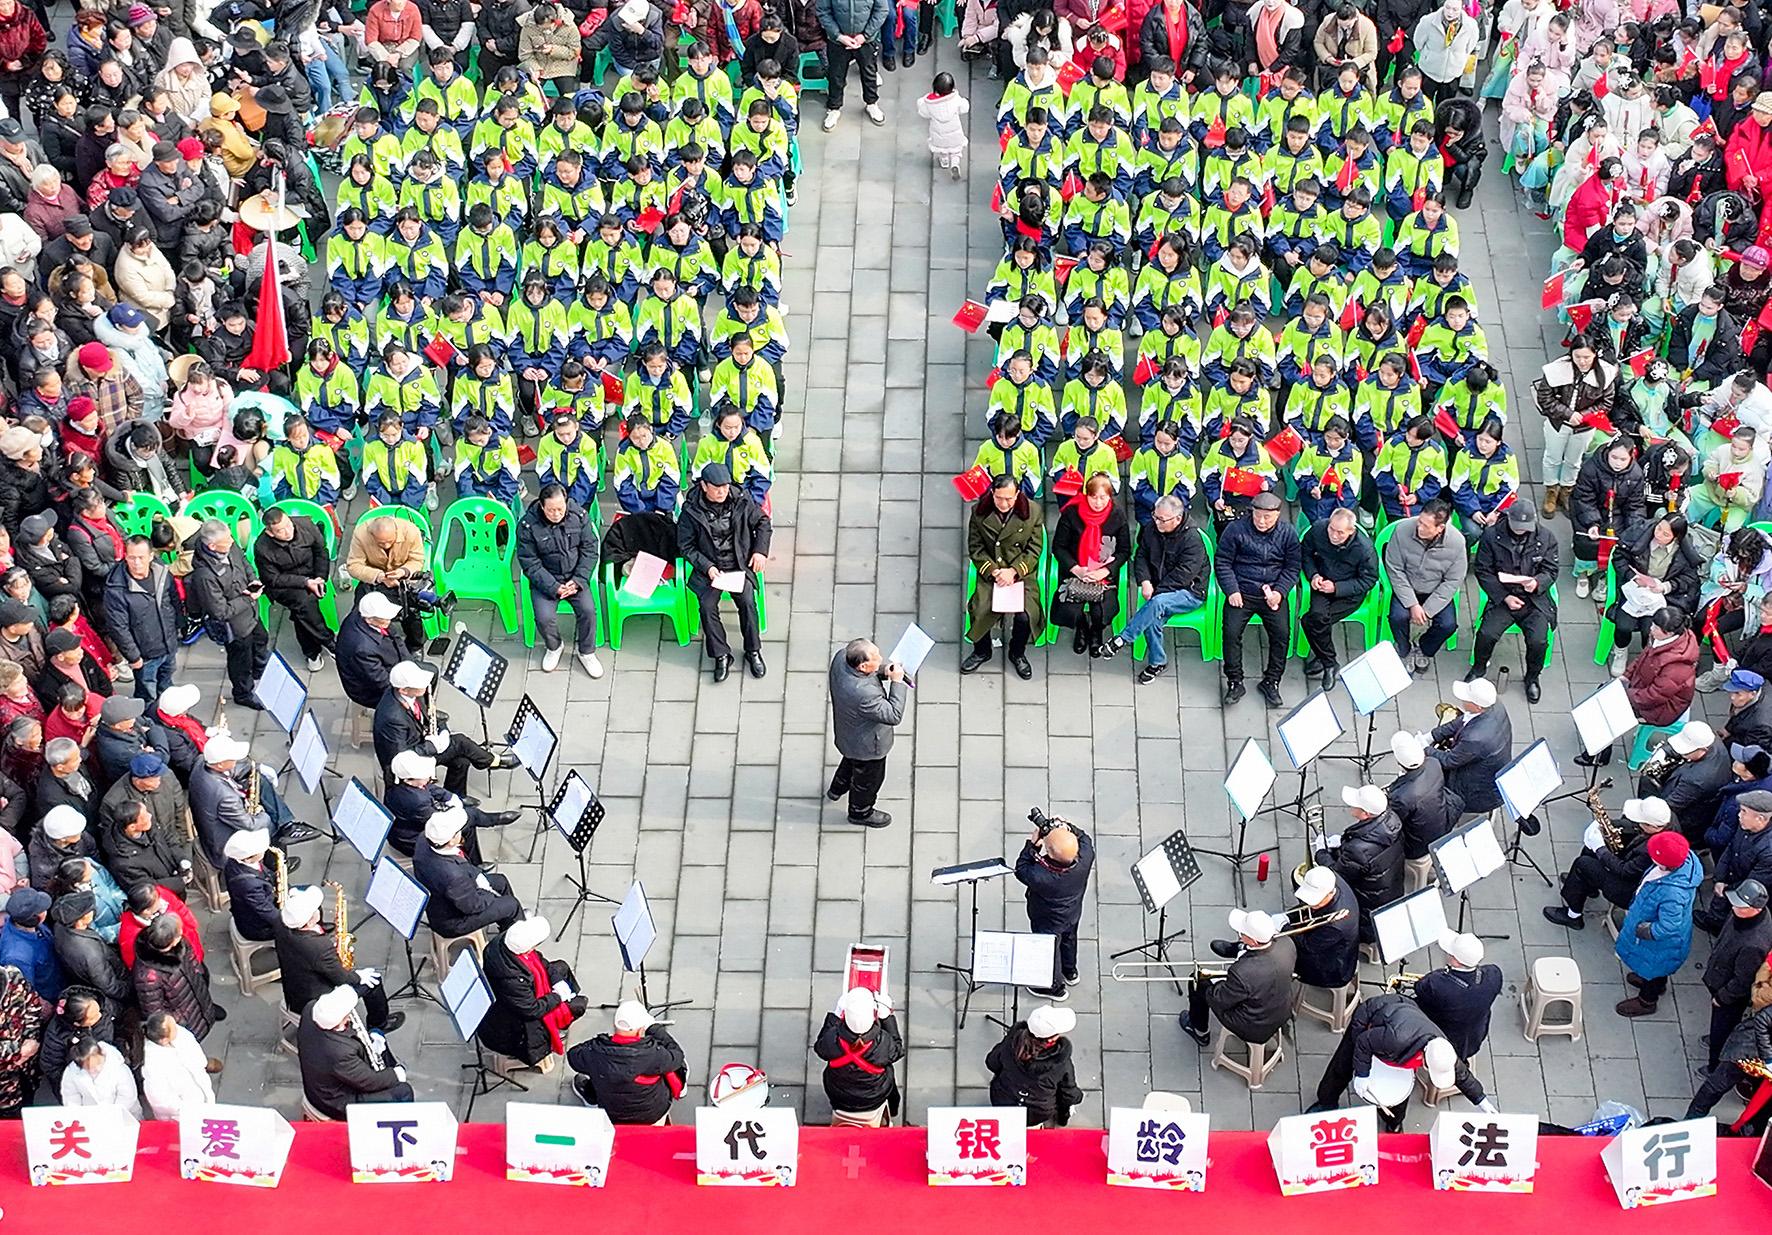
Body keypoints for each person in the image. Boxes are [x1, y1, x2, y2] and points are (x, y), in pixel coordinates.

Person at [1313, 993, 1492, 1131]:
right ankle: (1326, 1101)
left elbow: (1461, 1074)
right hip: (1371, 1021)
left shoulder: (1442, 1049)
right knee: (1343, 1064)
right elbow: (1363, 1042)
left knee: (1401, 1088)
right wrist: (1362, 1074)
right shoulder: (1396, 1039)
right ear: (1425, 1062)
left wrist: (1480, 1100)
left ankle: (1394, 1123)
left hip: (1401, 1028)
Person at [677, 462, 772, 683]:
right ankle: (721, 655)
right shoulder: (691, 511)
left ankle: (753, 650)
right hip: (711, 569)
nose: (722, 492)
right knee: (707, 607)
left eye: (725, 487)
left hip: (739, 565)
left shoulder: (741, 500)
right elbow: (686, 546)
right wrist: (707, 567)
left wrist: (760, 551)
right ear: (704, 486)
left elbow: (763, 522)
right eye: (717, 487)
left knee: (747, 602)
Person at [1098, 495, 1208, 684]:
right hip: (1159, 587)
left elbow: (1183, 576)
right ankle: (1158, 662)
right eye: (1155, 517)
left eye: (1162, 519)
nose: (1157, 522)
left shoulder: (1192, 540)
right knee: (1152, 617)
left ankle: (1123, 639)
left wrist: (1156, 592)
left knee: (1156, 604)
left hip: (1189, 592)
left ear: (1177, 519)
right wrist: (1145, 581)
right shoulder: (1152, 528)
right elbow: (1141, 555)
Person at [274, 883, 403, 1036]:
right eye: (316, 909)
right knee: (373, 981)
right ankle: (379, 1025)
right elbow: (343, 978)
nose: (318, 910)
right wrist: (359, 976)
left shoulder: (281, 922)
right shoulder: (319, 947)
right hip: (314, 1002)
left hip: (294, 991)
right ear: (310, 921)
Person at [374, 660, 517, 796]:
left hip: (419, 740)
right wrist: (431, 746)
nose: (425, 685)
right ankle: (492, 761)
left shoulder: (409, 694)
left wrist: (441, 728)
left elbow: (428, 714)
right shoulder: (392, 718)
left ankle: (457, 796)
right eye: (419, 685)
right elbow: (400, 759)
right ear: (404, 690)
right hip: (410, 760)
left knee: (461, 760)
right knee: (460, 742)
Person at [1216, 491, 1302, 706]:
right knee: (1231, 632)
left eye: (1267, 517)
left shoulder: (1288, 534)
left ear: (1277, 515)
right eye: (1258, 516)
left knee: (1282, 634)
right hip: (1242, 592)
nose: (1262, 521)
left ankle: (1272, 680)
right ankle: (1235, 681)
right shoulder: (1235, 530)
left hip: (1272, 594)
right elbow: (1223, 561)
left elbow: (1292, 567)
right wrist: (1232, 590)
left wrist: (1280, 592)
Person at [1467, 504, 1559, 702]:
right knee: (1486, 633)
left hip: (1534, 600)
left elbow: (1551, 570)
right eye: (1517, 525)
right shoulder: (1491, 536)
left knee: (1538, 640)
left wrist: (1537, 583)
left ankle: (1532, 677)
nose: (1520, 530)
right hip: (1504, 596)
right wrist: (1504, 597)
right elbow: (1483, 570)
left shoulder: (1546, 538)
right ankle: (1479, 667)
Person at [516, 483, 604, 678]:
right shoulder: (527, 526)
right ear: (541, 506)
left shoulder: (579, 516)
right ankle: (554, 646)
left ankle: (586, 651)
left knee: (588, 611)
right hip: (546, 580)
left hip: (575, 577)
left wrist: (579, 579)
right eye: (551, 510)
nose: (556, 514)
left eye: (560, 509)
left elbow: (590, 549)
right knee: (544, 618)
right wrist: (553, 587)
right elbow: (530, 563)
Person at [1543, 795, 1674, 928]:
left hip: (1630, 890)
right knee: (1590, 851)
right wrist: (1607, 826)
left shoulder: (1652, 849)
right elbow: (1635, 827)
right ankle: (1587, 885)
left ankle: (1573, 916)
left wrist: (1601, 849)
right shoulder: (1667, 820)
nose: (1637, 822)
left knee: (1582, 864)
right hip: (1634, 867)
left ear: (1652, 826)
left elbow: (1624, 871)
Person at [477, 913, 586, 1067]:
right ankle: (558, 1028)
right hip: (515, 1028)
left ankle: (567, 1001)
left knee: (561, 968)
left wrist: (557, 982)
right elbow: (532, 1009)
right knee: (579, 1005)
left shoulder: (502, 942)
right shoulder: (512, 980)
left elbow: (541, 962)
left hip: (518, 998)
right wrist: (557, 997)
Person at [962, 475, 1044, 679]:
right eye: (999, 498)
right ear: (992, 493)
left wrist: (1014, 571)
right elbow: (976, 548)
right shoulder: (979, 512)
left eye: (1009, 498)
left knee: (1026, 615)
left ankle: (1017, 653)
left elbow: (1034, 549)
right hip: (993, 572)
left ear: (1017, 494)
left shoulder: (1032, 511)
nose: (1004, 503)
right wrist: (993, 571)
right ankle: (982, 651)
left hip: (1021, 573)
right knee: (979, 608)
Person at [1613, 830, 1702, 1017]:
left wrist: (1647, 931)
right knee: (1658, 967)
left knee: (1655, 966)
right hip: (1662, 944)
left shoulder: (1672, 894)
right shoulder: (1681, 863)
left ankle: (1647, 1001)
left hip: (1660, 942)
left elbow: (1669, 925)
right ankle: (1657, 982)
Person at [1182, 906, 1297, 1048]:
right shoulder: (1287, 943)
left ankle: (1200, 1031)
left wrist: (1218, 982)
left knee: (1197, 982)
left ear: (1254, 941)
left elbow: (1220, 999)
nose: (1240, 935)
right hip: (1281, 1008)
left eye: (1242, 933)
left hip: (1252, 1025)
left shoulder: (1242, 972)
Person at [185, 518, 269, 710]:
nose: (232, 541)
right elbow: (220, 611)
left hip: (250, 613)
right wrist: (248, 599)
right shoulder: (205, 576)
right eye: (227, 541)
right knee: (240, 660)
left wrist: (253, 580)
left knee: (261, 640)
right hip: (234, 626)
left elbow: (243, 562)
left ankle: (260, 672)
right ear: (212, 546)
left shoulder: (229, 545)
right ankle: (243, 693)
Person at [298, 983, 413, 1119]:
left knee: (378, 1039)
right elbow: (369, 1082)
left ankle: (388, 1070)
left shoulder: (310, 1008)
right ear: (338, 1022)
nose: (349, 1016)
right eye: (346, 1016)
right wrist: (396, 1075)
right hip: (335, 1102)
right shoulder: (340, 1052)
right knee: (403, 1091)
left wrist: (369, 1043)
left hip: (326, 1081)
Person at [826, 638, 907, 829]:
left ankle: (838, 787)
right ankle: (860, 812)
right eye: (876, 658)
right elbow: (893, 715)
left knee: (851, 761)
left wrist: (884, 671)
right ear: (862, 666)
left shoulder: (842, 658)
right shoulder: (864, 694)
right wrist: (897, 683)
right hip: (868, 746)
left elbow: (868, 673)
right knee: (868, 781)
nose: (881, 658)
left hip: (849, 734)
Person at [566, 999, 688, 1123]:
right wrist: (654, 1028)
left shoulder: (595, 1052)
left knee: (597, 1072)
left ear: (615, 1026)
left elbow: (573, 1055)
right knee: (678, 1065)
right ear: (640, 1030)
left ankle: (591, 1100)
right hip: (653, 1114)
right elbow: (677, 1054)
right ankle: (681, 1089)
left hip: (612, 1114)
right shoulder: (653, 1054)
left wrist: (597, 1044)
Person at [1014, 814, 1094, 1000]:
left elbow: (1021, 868)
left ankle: (1055, 988)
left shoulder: (1041, 876)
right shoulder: (1086, 856)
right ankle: (1070, 971)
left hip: (1047, 919)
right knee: (1069, 939)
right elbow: (1084, 837)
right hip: (1072, 912)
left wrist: (1033, 845)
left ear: (1049, 853)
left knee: (1049, 950)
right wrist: (1067, 826)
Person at [1298, 508, 1379, 690]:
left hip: (1348, 593)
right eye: (1331, 529)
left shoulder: (1364, 549)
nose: (1334, 535)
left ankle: (1323, 657)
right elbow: (1305, 552)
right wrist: (1313, 575)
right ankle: (1329, 662)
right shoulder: (1318, 529)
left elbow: (1368, 580)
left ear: (1351, 531)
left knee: (1312, 621)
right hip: (1322, 584)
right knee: (1316, 618)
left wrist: (1337, 588)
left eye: (1340, 532)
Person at [411, 804, 522, 937]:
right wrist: (489, 893)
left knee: (501, 881)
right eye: (458, 831)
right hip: (455, 921)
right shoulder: (453, 877)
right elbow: (473, 906)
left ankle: (508, 924)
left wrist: (478, 876)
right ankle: (517, 937)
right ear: (451, 841)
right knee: (512, 905)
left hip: (447, 897)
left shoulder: (425, 839)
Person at [1051, 473, 1130, 658]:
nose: (1098, 503)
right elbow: (1059, 547)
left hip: (1103, 573)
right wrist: (1076, 569)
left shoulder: (1117, 516)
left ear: (1110, 496)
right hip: (1075, 570)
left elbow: (1124, 551)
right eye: (1093, 497)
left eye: (1103, 497)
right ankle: (1081, 627)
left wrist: (1105, 571)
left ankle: (1096, 631)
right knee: (1071, 607)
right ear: (1086, 495)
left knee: (1101, 609)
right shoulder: (1071, 513)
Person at [253, 507, 336, 674]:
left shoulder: (306, 525)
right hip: (285, 585)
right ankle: (329, 641)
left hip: (312, 574)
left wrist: (320, 577)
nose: (288, 532)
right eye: (280, 531)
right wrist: (305, 582)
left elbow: (321, 551)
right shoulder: (262, 547)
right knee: (304, 602)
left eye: (288, 525)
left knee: (301, 613)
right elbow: (272, 578)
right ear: (270, 533)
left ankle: (312, 652)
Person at [1700, 879, 1772, 1069]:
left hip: (1727, 993)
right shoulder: (1744, 915)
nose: (1734, 907)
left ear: (1755, 909)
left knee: (1722, 1028)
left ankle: (1714, 1066)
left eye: (1740, 905)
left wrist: (1722, 997)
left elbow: (1743, 980)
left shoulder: (1754, 944)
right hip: (1720, 977)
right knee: (1719, 1025)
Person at [1319, 784, 1404, 942]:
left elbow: (1337, 876)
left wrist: (1321, 852)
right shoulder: (1392, 819)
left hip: (1366, 908)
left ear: (1366, 814)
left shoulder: (1358, 850)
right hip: (1389, 889)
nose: (1351, 806)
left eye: (1355, 805)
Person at [101, 536, 180, 703]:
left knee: (167, 687)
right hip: (145, 655)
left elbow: (174, 600)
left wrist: (179, 626)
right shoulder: (116, 589)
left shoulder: (162, 573)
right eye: (131, 557)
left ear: (151, 556)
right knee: (147, 695)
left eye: (141, 557)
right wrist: (134, 657)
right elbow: (118, 627)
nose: (136, 563)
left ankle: (168, 715)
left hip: (168, 645)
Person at [813, 986, 903, 1125]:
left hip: (839, 1097)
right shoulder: (883, 1042)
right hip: (874, 1098)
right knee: (889, 1079)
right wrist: (887, 1017)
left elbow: (819, 1047)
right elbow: (898, 1049)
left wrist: (835, 1015)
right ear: (874, 1014)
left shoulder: (832, 1038)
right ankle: (893, 1108)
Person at [1413, 930, 1503, 1067]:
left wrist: (1440, 974)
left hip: (1442, 1036)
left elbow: (1419, 988)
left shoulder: (1437, 983)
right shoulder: (1494, 974)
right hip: (1474, 1037)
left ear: (1455, 961)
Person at [130, 910, 222, 1042]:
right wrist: (179, 1018)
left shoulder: (181, 943)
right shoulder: (148, 977)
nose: (182, 934)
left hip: (197, 996)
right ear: (171, 941)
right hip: (185, 1020)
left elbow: (192, 959)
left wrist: (198, 973)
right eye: (179, 934)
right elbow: (155, 1012)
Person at [986, 1003, 1083, 1127]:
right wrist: (1078, 1096)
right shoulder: (1061, 1064)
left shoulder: (1010, 1044)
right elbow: (1068, 1095)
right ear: (1051, 1040)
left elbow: (992, 1063)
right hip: (1037, 1113)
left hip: (1002, 1101)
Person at [1430, 676, 1511, 819]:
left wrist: (1425, 749)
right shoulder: (1494, 704)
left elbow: (1449, 761)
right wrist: (1432, 735)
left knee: (1430, 780)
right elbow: (1463, 720)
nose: (1462, 700)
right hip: (1488, 769)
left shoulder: (1475, 738)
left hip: (1478, 792)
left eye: (1467, 699)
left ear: (1478, 707)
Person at [1642, 720, 1736, 842]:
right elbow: (1683, 749)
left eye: (1686, 751)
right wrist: (1665, 751)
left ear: (1703, 749)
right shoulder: (1709, 738)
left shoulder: (1697, 780)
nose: (1682, 752)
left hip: (1688, 817)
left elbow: (1671, 805)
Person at [1693, 789, 1772, 934]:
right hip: (1732, 877)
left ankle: (1718, 926)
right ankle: (1714, 921)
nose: (1739, 815)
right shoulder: (1746, 826)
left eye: (1744, 812)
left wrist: (1725, 888)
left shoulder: (1768, 850)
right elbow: (1730, 849)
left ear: (1760, 818)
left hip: (1744, 890)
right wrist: (1720, 878)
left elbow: (1753, 883)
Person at [1386, 731, 1462, 882]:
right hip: (1443, 822)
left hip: (1417, 845)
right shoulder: (1434, 763)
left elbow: (1394, 821)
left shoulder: (1402, 797)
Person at [1282, 865, 1362, 991]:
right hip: (1334, 947)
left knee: (1283, 956)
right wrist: (1289, 917)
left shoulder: (1336, 925)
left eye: (1316, 901)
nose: (1310, 903)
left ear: (1329, 893)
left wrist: (1284, 927)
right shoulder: (1331, 879)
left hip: (1331, 971)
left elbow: (1307, 946)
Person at [816, 0, 888, 131]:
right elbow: (823, 11)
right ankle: (834, 108)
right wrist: (838, 36)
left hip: (866, 41)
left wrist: (865, 35)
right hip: (838, 42)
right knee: (836, 75)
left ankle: (872, 103)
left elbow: (881, 10)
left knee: (869, 74)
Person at [335, 591, 406, 710]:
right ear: (369, 620)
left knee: (430, 673)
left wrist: (408, 664)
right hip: (369, 691)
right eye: (384, 618)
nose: (389, 621)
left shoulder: (371, 617)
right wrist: (406, 695)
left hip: (388, 665)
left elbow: (397, 641)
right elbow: (381, 681)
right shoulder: (362, 649)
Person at [140, 1010, 215, 1117]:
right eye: (174, 1028)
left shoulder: (178, 1032)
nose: (178, 1028)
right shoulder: (153, 1066)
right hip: (186, 1113)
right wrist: (189, 1110)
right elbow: (162, 1101)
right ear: (164, 1040)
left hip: (201, 1091)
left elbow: (196, 1053)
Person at [220, 827, 283, 943]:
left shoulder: (236, 861)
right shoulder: (248, 885)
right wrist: (290, 919)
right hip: (259, 928)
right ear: (248, 858)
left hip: (255, 911)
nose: (265, 850)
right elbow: (267, 912)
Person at [0, 963, 45, 1116]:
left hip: (26, 1071)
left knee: (28, 1110)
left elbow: (32, 1006)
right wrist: (20, 1050)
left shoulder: (13, 977)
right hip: (4, 1091)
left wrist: (31, 1038)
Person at [61, 1034, 142, 1116]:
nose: (95, 1069)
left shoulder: (118, 1067)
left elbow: (127, 1096)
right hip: (91, 1115)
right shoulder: (71, 1072)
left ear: (102, 1053)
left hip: (123, 1113)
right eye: (89, 1069)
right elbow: (71, 1096)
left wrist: (113, 1114)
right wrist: (79, 1114)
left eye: (98, 1064)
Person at [1, 885, 59, 997]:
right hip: (49, 995)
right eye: (42, 909)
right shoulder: (16, 957)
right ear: (36, 918)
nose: (45, 910)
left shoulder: (24, 923)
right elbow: (27, 991)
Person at [917, 71, 969, 178]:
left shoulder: (930, 103)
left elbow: (923, 112)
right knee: (956, 150)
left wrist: (921, 102)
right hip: (955, 133)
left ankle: (944, 161)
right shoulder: (955, 99)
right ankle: (955, 164)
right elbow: (964, 108)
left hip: (938, 133)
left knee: (942, 149)